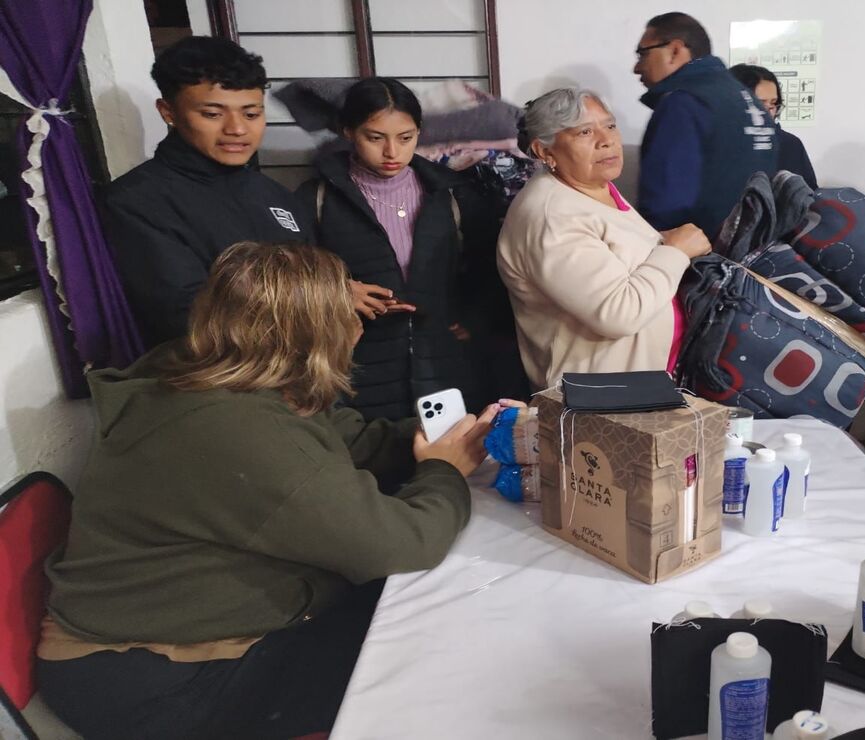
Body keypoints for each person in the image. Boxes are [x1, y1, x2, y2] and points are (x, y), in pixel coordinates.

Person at [35, 241, 500, 739]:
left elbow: (353, 441)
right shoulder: (239, 431)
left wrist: (438, 437)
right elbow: (406, 543)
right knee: (430, 658)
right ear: (315, 335)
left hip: (167, 638)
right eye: (345, 313)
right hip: (155, 680)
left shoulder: (222, 371)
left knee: (424, 616)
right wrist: (444, 471)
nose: (358, 326)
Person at [296, 77, 521, 420]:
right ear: (347, 132)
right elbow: (287, 281)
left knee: (453, 460)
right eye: (375, 138)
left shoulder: (451, 194)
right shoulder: (317, 198)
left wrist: (473, 318)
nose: (392, 152)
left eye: (405, 138)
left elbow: (490, 268)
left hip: (444, 362)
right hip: (358, 364)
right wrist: (335, 291)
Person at [497, 88, 711, 390]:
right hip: (600, 403)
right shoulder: (552, 216)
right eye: (584, 132)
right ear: (546, 152)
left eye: (610, 126)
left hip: (642, 386)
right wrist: (676, 252)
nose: (606, 140)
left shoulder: (594, 188)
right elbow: (618, 314)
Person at [106, 36, 311, 347]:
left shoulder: (273, 193)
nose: (238, 129)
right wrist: (326, 306)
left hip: (306, 379)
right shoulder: (135, 201)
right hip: (224, 386)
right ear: (168, 112)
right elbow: (187, 316)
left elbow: (314, 272)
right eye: (213, 114)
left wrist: (341, 291)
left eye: (252, 114)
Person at [633, 12, 777, 238]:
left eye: (642, 54)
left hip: (701, 259)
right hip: (750, 249)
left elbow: (666, 206)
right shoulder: (745, 98)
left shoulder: (683, 104)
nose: (637, 67)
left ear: (675, 50)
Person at [729, 63, 819, 191]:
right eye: (760, 103)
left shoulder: (789, 144)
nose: (769, 112)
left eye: (773, 103)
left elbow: (807, 198)